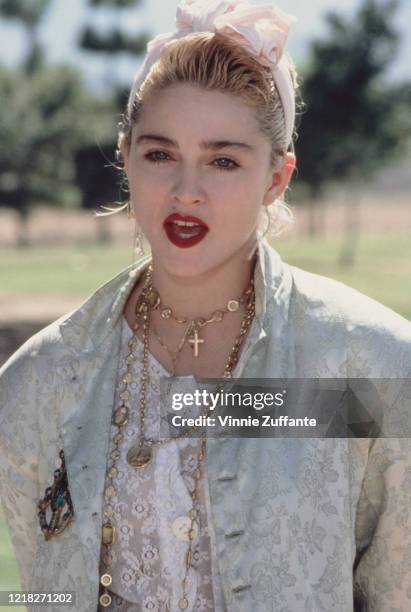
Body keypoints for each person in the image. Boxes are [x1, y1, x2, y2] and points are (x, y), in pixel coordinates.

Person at [0, 1, 410, 611]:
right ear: (126, 157)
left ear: (276, 178)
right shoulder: (40, 383)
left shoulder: (366, 365)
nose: (185, 191)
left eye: (223, 161)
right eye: (160, 154)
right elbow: (47, 591)